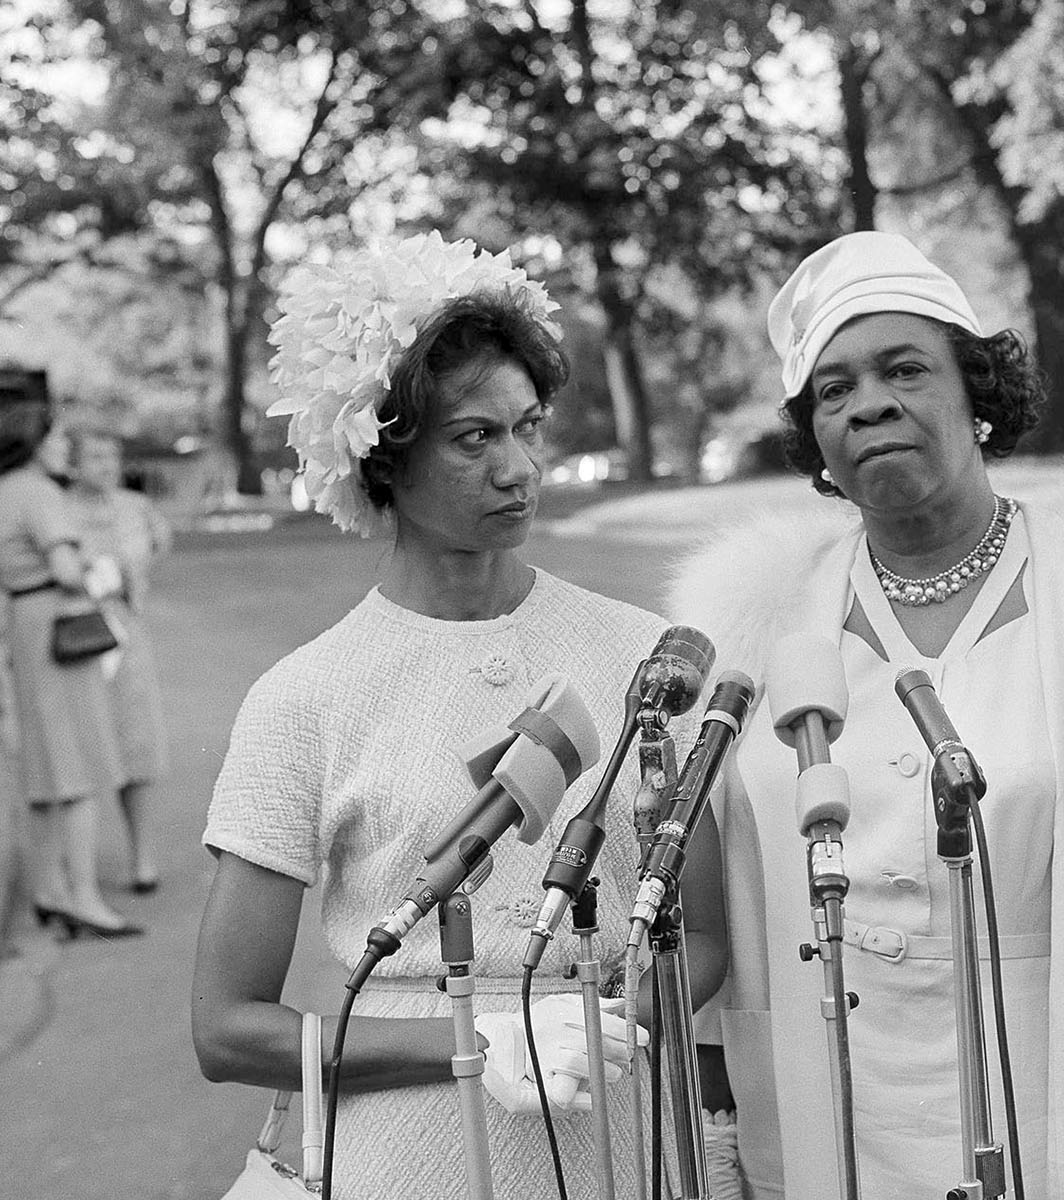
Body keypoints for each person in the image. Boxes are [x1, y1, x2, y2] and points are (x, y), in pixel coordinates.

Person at [669, 229, 1064, 1199]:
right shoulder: (754, 624)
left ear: (979, 394)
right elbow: (715, 903)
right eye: (834, 389)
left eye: (904, 369)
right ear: (814, 434)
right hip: (829, 1098)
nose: (871, 404)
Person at [192, 233, 721, 1198]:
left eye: (527, 427)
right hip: (404, 1154)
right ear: (381, 456)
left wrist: (603, 1023)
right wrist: (480, 1036)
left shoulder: (639, 654)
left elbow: (709, 933)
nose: (519, 468)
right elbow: (227, 1028)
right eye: (475, 437)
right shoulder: (304, 698)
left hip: (619, 1135)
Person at [0, 402, 135, 939]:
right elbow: (65, 569)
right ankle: (82, 898)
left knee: (44, 765)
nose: (62, 448)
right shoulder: (39, 493)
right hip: (60, 625)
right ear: (33, 442)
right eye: (54, 438)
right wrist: (93, 569)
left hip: (23, 627)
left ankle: (48, 890)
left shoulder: (4, 490)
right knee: (77, 765)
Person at [65, 424, 172, 893]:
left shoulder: (137, 508)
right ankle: (75, 869)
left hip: (126, 636)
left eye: (112, 456)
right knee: (77, 747)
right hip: (76, 635)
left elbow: (156, 551)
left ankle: (142, 858)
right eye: (94, 457)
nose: (106, 466)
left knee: (136, 744)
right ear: (73, 463)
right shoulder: (59, 509)